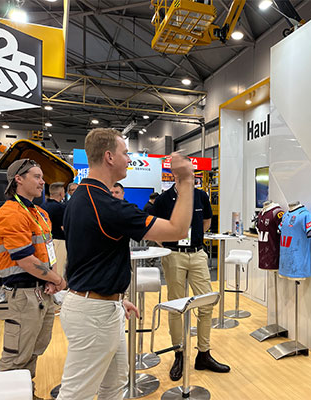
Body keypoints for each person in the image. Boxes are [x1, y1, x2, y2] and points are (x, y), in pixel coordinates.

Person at [58, 128, 194, 400]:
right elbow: (178, 229)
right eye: (125, 153)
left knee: (114, 384)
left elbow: (90, 256)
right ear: (109, 157)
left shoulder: (80, 197)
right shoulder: (107, 206)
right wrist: (187, 179)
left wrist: (117, 298)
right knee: (76, 394)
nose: (129, 160)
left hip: (99, 305)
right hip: (94, 313)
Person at [0, 159, 66, 400]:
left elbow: (47, 250)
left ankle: (26, 394)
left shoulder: (40, 214)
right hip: (21, 296)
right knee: (16, 356)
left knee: (33, 350)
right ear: (18, 179)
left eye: (42, 177)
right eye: (36, 176)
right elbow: (24, 259)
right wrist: (57, 279)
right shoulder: (10, 213)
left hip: (41, 292)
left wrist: (51, 279)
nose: (43, 182)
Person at [149, 177, 230, 382]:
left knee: (206, 303)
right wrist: (165, 245)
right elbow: (152, 226)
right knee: (176, 306)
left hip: (197, 254)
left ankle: (203, 353)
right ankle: (179, 354)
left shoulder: (201, 196)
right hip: (174, 255)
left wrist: (196, 239)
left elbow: (206, 222)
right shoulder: (163, 200)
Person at [40, 182, 67, 278]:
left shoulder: (42, 206)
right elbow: (63, 227)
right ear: (61, 193)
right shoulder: (61, 208)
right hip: (59, 242)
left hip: (44, 242)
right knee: (59, 272)